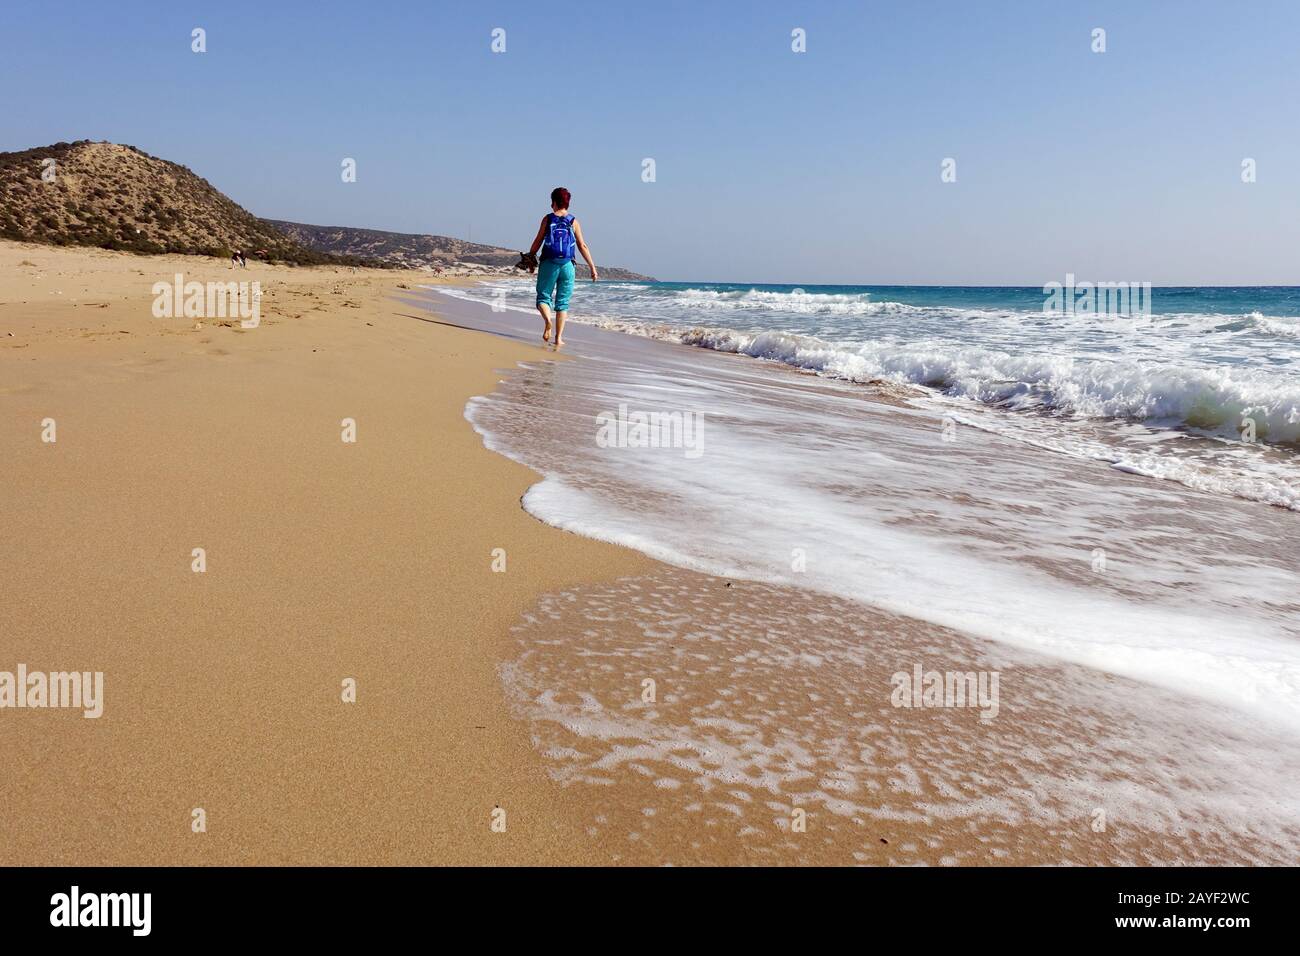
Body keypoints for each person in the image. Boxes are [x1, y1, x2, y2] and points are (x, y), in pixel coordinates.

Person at [527, 187, 597, 346]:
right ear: (567, 203)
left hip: (548, 263)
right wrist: (592, 267)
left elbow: (538, 241)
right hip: (568, 266)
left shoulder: (548, 219)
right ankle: (558, 338)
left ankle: (547, 322)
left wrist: (530, 257)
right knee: (562, 302)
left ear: (554, 202)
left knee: (543, 297)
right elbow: (582, 245)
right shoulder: (573, 221)